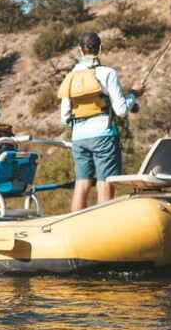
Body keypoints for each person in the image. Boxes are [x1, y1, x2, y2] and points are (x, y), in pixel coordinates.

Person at [58, 32, 145, 212]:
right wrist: (134, 94)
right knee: (104, 184)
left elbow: (65, 117)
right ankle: (103, 229)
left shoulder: (70, 77)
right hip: (104, 137)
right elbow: (121, 110)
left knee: (82, 184)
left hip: (79, 138)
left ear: (80, 50)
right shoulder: (108, 73)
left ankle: (76, 226)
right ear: (101, 49)